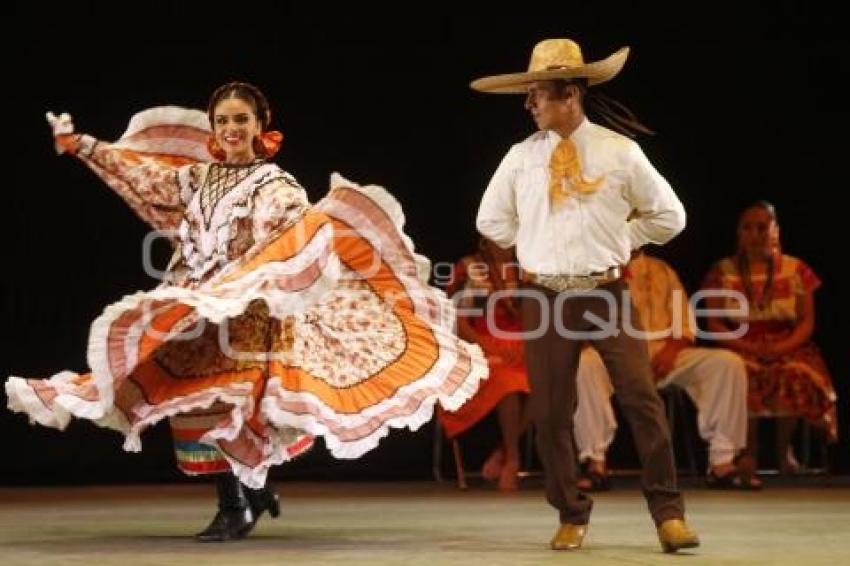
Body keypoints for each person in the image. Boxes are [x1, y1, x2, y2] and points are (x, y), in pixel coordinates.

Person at [6, 82, 487, 541]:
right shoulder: (199, 177)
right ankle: (253, 492)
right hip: (199, 302)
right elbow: (144, 176)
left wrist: (257, 270)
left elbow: (293, 232)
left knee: (234, 405)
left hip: (249, 313)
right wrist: (84, 146)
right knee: (193, 400)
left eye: (241, 119)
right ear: (213, 128)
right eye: (223, 120)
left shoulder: (275, 184)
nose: (231, 129)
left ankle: (236, 506)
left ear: (260, 125)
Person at [473, 38, 699, 552]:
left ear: (569, 94)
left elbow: (671, 216)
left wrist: (628, 236)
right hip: (546, 297)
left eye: (538, 95)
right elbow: (490, 220)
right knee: (551, 412)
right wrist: (530, 238)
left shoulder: (619, 151)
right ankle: (571, 511)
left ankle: (669, 514)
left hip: (605, 291)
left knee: (642, 400)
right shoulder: (520, 158)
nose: (529, 105)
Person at [573, 250, 757, 490]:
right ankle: (595, 463)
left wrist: (671, 350)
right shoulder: (591, 268)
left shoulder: (663, 270)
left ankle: (722, 463)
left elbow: (684, 323)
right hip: (613, 352)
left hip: (663, 350)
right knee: (584, 364)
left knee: (726, 364)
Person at [702, 201, 837, 474]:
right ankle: (748, 451)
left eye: (763, 227)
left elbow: (806, 322)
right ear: (739, 233)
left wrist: (781, 347)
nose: (756, 234)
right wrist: (748, 345)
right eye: (748, 228)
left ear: (776, 230)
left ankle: (783, 450)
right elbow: (714, 323)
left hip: (788, 343)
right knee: (739, 372)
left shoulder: (797, 269)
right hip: (740, 342)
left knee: (794, 372)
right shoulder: (723, 271)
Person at [439, 237, 530, 491]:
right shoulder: (468, 267)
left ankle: (502, 451)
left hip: (523, 343)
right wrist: (485, 345)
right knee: (508, 381)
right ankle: (513, 458)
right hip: (480, 345)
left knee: (548, 379)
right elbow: (451, 316)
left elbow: (540, 314)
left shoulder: (528, 268)